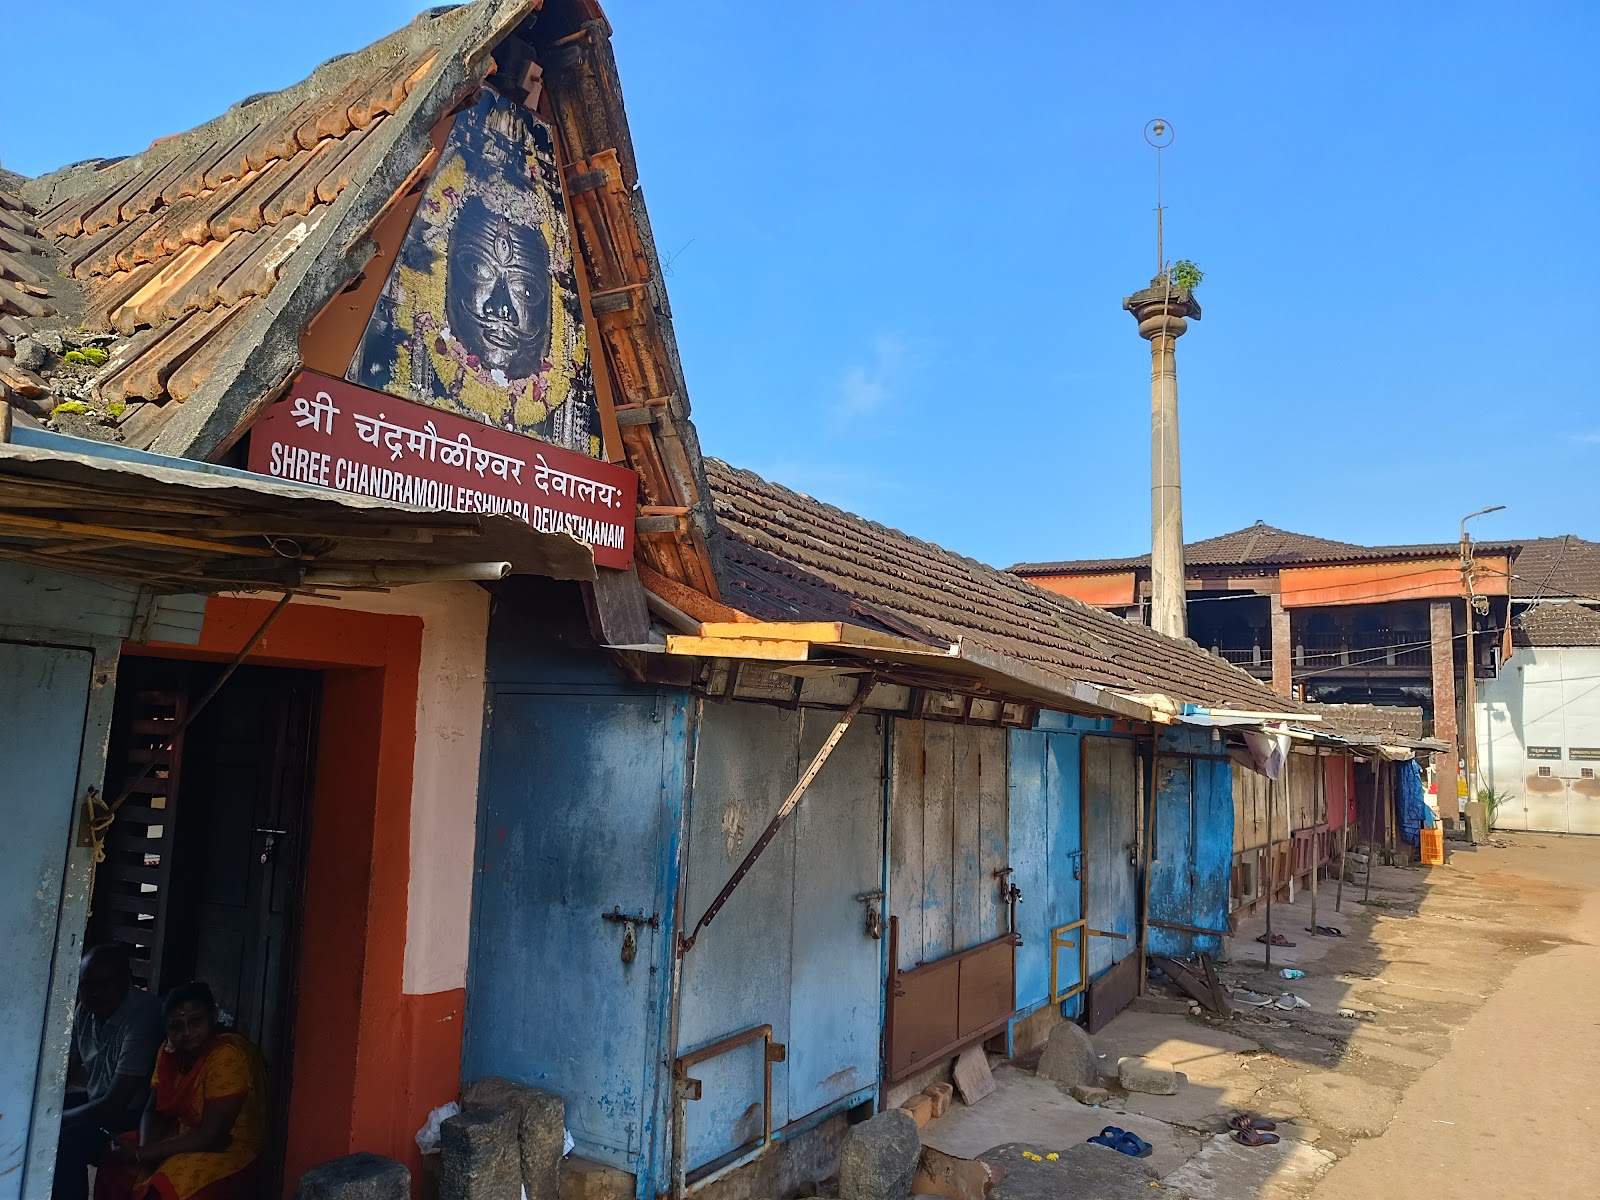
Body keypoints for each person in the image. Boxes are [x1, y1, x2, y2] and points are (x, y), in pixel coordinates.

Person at [95, 982, 265, 1200]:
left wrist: (145, 1153)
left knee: (166, 1185)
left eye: (195, 1021)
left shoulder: (227, 1054)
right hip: (181, 1135)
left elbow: (212, 1135)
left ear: (213, 1017)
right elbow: (153, 1109)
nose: (187, 1032)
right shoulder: (169, 1051)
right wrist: (145, 1150)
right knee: (114, 1160)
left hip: (230, 1149)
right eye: (176, 1026)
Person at [55, 945, 164, 1200]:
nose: (96, 992)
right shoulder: (83, 1010)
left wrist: (57, 1117)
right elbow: (62, 1071)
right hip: (98, 1101)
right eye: (87, 985)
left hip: (134, 1115)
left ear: (126, 978)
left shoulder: (142, 1016)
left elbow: (115, 1103)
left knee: (64, 1143)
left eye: (106, 983)